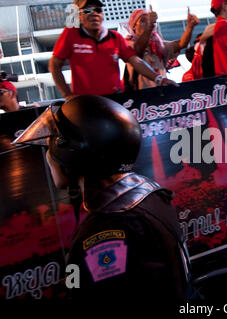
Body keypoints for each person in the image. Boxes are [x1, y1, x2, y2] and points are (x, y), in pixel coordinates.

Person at [12, 95, 191, 301]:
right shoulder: (147, 191)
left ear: (72, 155)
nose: (49, 156)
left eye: (52, 144)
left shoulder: (106, 228)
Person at [49, 0, 176, 100]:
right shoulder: (71, 35)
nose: (94, 13)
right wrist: (67, 94)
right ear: (79, 16)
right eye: (87, 10)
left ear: (102, 15)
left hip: (116, 100)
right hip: (86, 103)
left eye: (98, 10)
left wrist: (160, 79)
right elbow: (55, 65)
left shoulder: (115, 37)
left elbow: (136, 61)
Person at [125, 6, 199, 90]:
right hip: (141, 96)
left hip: (162, 94)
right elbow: (138, 49)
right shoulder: (129, 43)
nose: (147, 23)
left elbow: (181, 44)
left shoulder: (159, 45)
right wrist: (149, 27)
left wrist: (190, 27)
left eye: (149, 20)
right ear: (133, 26)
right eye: (143, 21)